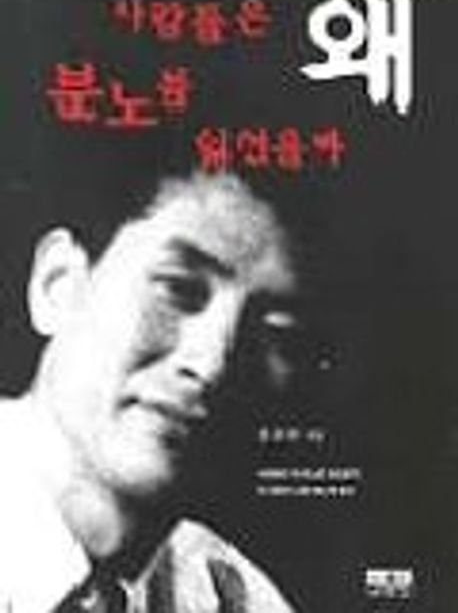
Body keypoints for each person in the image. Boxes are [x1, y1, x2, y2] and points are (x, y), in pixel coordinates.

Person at [0, 168, 310, 612]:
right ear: (58, 283)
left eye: (276, 330)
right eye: (178, 288)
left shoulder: (234, 596)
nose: (213, 365)